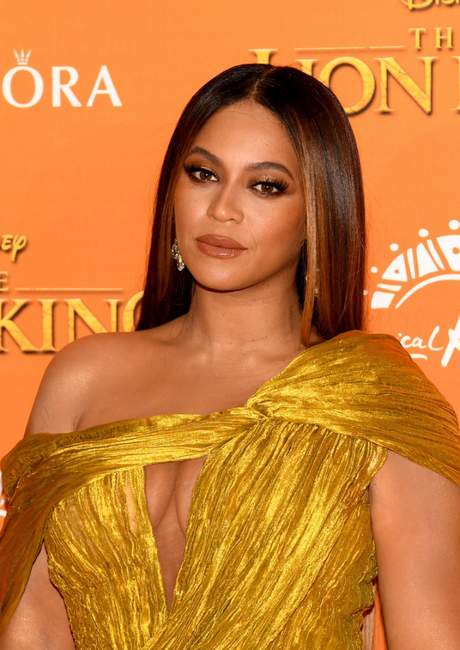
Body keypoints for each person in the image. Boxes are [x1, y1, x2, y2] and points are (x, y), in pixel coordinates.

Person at [0, 63, 459, 650]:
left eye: (265, 186)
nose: (222, 209)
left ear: (318, 213)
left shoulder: (372, 402)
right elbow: (34, 625)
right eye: (203, 174)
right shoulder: (82, 377)